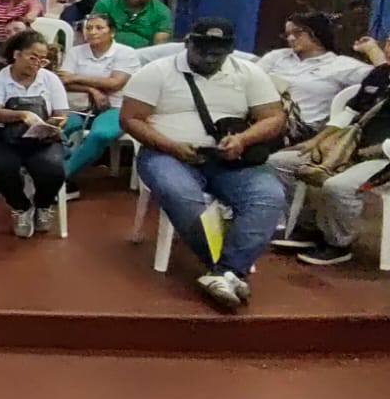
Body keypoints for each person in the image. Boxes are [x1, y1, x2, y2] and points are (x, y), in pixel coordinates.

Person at [120, 18, 287, 311]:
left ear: (229, 50)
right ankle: (227, 269)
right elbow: (131, 118)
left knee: (269, 196)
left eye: (218, 52)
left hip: (229, 158)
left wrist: (243, 140)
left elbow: (273, 117)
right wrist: (170, 145)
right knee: (181, 195)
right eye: (203, 50)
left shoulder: (248, 73)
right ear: (188, 43)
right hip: (167, 154)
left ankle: (225, 272)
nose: (210, 57)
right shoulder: (156, 72)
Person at [267, 37, 390, 266]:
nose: (389, 49)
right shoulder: (379, 75)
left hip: (384, 158)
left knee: (338, 186)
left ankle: (338, 243)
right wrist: (316, 141)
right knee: (279, 162)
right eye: (389, 43)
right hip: (349, 148)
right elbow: (350, 112)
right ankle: (308, 226)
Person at [0, 31, 70, 238]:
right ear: (17, 55)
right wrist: (21, 114)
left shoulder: (50, 80)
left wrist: (52, 125)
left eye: (42, 60)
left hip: (41, 136)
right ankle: (20, 207)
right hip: (4, 134)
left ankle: (43, 205)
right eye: (32, 57)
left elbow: (61, 113)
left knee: (53, 169)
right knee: (2, 167)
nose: (37, 64)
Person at [256, 12, 372, 142]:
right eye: (287, 35)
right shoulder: (277, 57)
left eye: (297, 33)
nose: (291, 39)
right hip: (261, 116)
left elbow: (383, 78)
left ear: (316, 33)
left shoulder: (341, 65)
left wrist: (372, 50)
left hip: (301, 129)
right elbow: (250, 78)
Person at [59, 12, 142, 181]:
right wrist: (92, 90)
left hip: (117, 107)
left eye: (99, 28)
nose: (92, 32)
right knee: (56, 127)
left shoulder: (126, 53)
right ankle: (54, 168)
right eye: (88, 28)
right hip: (80, 106)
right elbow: (63, 81)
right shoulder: (76, 52)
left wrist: (77, 77)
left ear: (111, 32)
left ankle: (63, 176)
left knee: (100, 135)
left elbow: (115, 83)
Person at [90, 0, 173, 49]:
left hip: (142, 58)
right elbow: (93, 35)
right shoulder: (106, 4)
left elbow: (159, 47)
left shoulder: (162, 12)